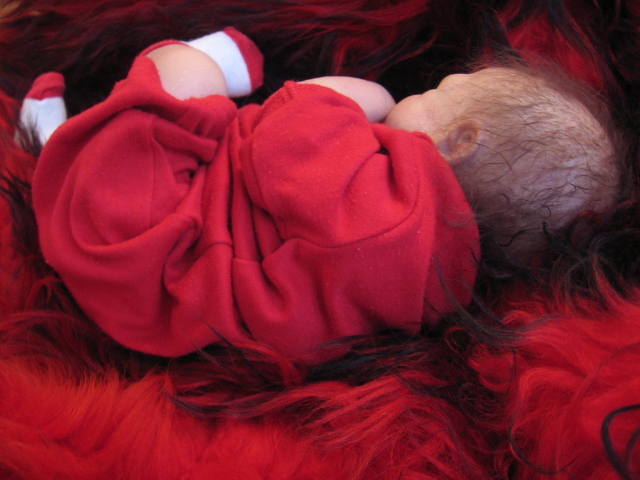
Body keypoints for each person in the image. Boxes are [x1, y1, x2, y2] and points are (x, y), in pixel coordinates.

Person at [26, 28, 619, 363]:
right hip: (168, 316)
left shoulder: (388, 212)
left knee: (182, 75)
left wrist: (356, 97)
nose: (419, 91)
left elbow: (282, 137)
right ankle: (64, 145)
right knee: (176, 132)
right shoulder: (434, 285)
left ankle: (51, 144)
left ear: (460, 141)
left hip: (144, 246)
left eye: (438, 90)